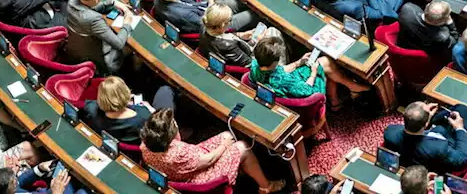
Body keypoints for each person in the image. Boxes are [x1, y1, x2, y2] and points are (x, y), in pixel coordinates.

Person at [141, 107, 285, 193]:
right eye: (174, 123)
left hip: (185, 167)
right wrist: (223, 146)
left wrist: (225, 143)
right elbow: (208, 160)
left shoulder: (146, 147)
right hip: (201, 178)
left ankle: (240, 166)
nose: (176, 123)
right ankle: (266, 186)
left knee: (227, 135)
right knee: (243, 147)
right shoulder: (179, 153)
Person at [250, 35, 371, 108]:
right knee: (324, 64)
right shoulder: (284, 80)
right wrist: (313, 73)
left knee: (323, 62)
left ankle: (337, 99)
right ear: (274, 62)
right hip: (302, 94)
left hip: (286, 86)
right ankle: (349, 89)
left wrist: (298, 63)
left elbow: (279, 70)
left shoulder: (255, 65)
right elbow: (306, 90)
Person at [65, 0, 137, 74]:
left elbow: (88, 8)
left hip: (78, 50)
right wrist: (127, 23)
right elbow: (119, 44)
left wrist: (113, 3)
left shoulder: (72, 0)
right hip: (103, 60)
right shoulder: (94, 19)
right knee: (132, 50)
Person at [383, 101, 467, 174]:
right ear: (425, 124)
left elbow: (410, 128)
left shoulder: (390, 132)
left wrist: (426, 116)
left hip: (415, 154)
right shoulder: (439, 147)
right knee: (463, 109)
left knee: (440, 129)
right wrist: (460, 128)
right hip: (433, 166)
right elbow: (462, 160)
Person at [82, 76, 175, 145]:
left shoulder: (91, 109)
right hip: (152, 139)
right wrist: (151, 110)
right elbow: (159, 125)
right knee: (165, 90)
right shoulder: (143, 116)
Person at [200, 2, 277, 67]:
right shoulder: (228, 46)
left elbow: (224, 36)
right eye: (230, 20)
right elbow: (249, 64)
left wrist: (241, 35)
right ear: (222, 25)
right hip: (254, 57)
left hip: (246, 46)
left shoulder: (205, 27)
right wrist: (260, 43)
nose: (231, 22)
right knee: (273, 31)